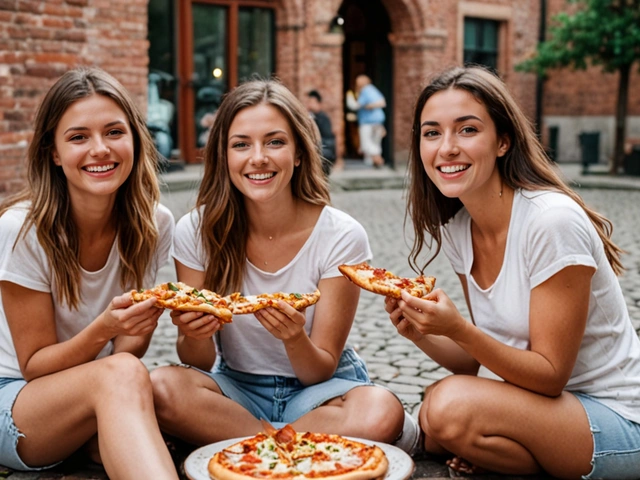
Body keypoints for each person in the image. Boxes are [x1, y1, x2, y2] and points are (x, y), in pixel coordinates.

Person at [385, 65, 640, 478]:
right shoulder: (460, 229)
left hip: (618, 418)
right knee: (437, 419)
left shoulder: (550, 222)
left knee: (448, 408)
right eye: (431, 133)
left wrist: (458, 329)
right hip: (547, 410)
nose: (446, 147)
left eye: (467, 130)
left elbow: (550, 375)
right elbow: (484, 362)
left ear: (503, 141)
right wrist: (423, 333)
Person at [150, 78, 419, 454]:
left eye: (274, 142)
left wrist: (294, 337)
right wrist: (194, 333)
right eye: (241, 144)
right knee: (161, 388)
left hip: (321, 392)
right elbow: (197, 360)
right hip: (236, 388)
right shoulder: (195, 229)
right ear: (224, 155)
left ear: (297, 152)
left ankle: (247, 446)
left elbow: (321, 368)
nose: (257, 157)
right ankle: (293, 448)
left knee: (379, 411)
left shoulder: (341, 234)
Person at [0, 67, 179, 479]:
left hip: (90, 389)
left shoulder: (154, 223)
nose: (100, 149)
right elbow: (34, 366)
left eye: (114, 132)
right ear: (54, 152)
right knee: (124, 377)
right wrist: (106, 329)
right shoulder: (21, 229)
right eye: (79, 137)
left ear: (135, 138)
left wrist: (139, 325)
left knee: (130, 378)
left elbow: (124, 353)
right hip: (15, 397)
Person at [345, 75, 386, 168]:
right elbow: (382, 102)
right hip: (378, 121)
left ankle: (378, 159)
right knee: (376, 143)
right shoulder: (373, 89)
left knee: (366, 144)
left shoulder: (365, 90)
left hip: (368, 122)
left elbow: (356, 106)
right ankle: (374, 162)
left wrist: (349, 99)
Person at [306, 89, 337, 176]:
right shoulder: (311, 116)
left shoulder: (323, 118)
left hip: (324, 148)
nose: (309, 104)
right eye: (308, 102)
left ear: (318, 103)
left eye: (311, 102)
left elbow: (329, 139)